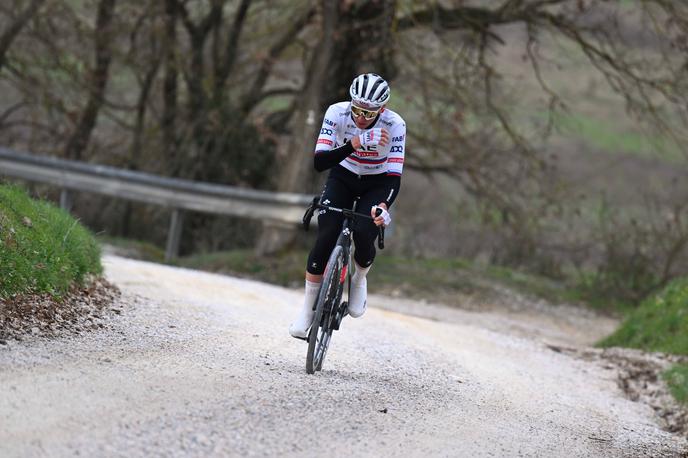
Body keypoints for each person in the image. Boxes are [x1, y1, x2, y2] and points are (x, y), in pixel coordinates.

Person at [289, 73, 406, 338]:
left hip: (376, 182)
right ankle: (307, 309)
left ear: (382, 110)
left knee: (365, 233)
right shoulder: (337, 113)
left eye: (369, 112)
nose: (362, 118)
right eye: (357, 110)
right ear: (350, 103)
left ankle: (358, 279)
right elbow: (320, 162)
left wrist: (384, 205)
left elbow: (394, 175)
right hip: (343, 175)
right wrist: (354, 143)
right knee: (326, 233)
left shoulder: (395, 124)